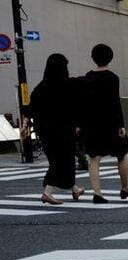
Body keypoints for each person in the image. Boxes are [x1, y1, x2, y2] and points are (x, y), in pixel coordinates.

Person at [83, 44, 128, 204]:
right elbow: (115, 102)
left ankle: (97, 193)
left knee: (94, 158)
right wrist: (121, 125)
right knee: (122, 153)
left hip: (91, 123)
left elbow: (84, 102)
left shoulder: (88, 77)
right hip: (110, 122)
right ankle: (125, 187)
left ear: (93, 58)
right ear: (110, 58)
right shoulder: (112, 78)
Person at [27, 53, 85, 205]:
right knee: (61, 162)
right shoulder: (67, 85)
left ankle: (75, 189)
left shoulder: (40, 88)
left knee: (61, 160)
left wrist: (25, 124)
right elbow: (75, 107)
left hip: (45, 131)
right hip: (63, 130)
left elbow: (31, 108)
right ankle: (47, 192)